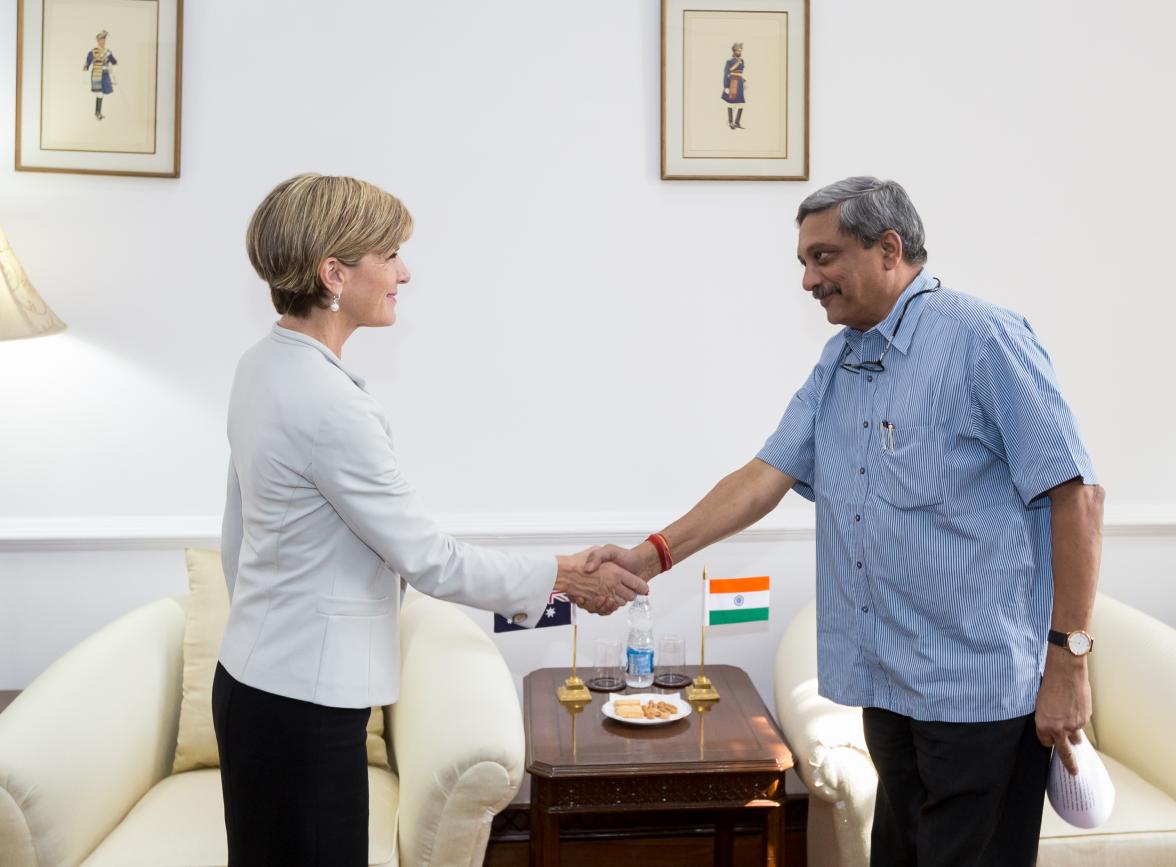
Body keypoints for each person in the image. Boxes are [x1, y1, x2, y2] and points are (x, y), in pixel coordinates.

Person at [587, 177, 1104, 866]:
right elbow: (761, 477)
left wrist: (1069, 662)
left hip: (978, 694)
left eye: (824, 256)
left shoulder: (984, 337)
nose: (809, 278)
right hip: (890, 687)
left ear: (888, 248)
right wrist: (650, 555)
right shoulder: (842, 359)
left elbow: (1077, 495)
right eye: (804, 261)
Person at [215, 173, 648, 865]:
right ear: (333, 273)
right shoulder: (328, 404)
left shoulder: (260, 366)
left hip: (252, 682)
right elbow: (429, 558)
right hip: (302, 706)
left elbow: (237, 533)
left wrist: (274, 631)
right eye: (388, 255)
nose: (403, 272)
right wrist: (568, 574)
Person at [83, 30, 117, 120]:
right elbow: (87, 64)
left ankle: (98, 112)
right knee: (99, 94)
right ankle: (97, 113)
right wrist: (85, 75)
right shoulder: (93, 52)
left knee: (102, 94)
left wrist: (112, 61)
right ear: (98, 41)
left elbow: (114, 61)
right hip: (96, 75)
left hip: (105, 75)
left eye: (104, 40)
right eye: (101, 40)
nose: (103, 42)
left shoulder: (108, 52)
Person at [722, 42, 746, 129]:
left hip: (739, 83)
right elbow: (727, 72)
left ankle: (737, 122)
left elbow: (740, 72)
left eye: (741, 50)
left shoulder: (742, 60)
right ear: (734, 51)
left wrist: (743, 81)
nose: (740, 52)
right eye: (738, 50)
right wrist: (726, 87)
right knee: (731, 103)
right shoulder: (729, 61)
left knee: (741, 103)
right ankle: (730, 122)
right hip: (732, 82)